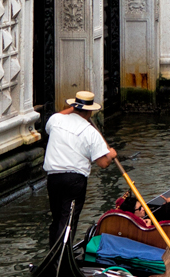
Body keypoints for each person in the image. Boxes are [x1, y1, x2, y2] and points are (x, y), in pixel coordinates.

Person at [43, 90, 118, 247]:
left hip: (53, 178)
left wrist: (73, 108)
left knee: (57, 218)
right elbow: (103, 163)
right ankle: (60, 260)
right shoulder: (91, 133)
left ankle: (54, 256)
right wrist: (111, 154)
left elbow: (58, 117)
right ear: (89, 111)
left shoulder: (56, 120)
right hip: (74, 181)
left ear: (73, 106)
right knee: (68, 220)